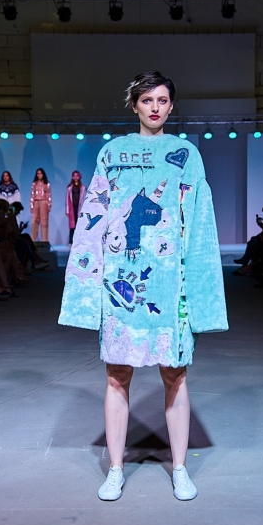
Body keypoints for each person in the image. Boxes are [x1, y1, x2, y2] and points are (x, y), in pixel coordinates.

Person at [58, 71, 228, 502]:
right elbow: (93, 218)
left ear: (172, 106)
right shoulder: (112, 153)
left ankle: (180, 469)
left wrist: (201, 294)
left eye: (163, 100)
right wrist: (85, 292)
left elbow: (200, 223)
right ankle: (115, 469)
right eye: (147, 100)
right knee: (117, 376)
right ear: (134, 104)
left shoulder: (186, 155)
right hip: (121, 283)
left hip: (171, 286)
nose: (155, 107)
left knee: (176, 374)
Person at [65, 170, 87, 244]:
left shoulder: (83, 188)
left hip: (80, 208)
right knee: (72, 226)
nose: (75, 177)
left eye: (77, 175)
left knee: (80, 225)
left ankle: (80, 241)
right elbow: (67, 199)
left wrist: (85, 209)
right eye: (74, 176)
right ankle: (71, 241)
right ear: (72, 177)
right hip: (72, 208)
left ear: (79, 176)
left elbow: (85, 199)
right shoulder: (69, 188)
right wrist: (67, 211)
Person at [30, 168, 52, 242]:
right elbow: (32, 195)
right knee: (34, 221)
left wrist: (49, 205)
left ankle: (45, 240)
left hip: (44, 202)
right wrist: (31, 206)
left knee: (44, 222)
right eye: (38, 174)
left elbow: (49, 195)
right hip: (36, 202)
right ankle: (33, 240)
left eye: (40, 173)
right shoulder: (34, 184)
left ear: (43, 174)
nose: (39, 175)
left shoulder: (46, 184)